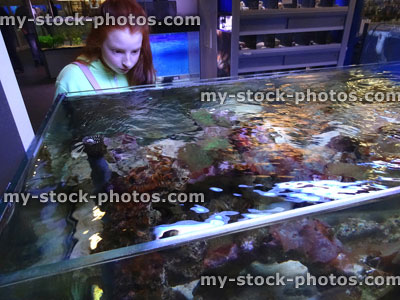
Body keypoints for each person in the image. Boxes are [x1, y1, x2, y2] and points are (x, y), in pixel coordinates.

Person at [54, 0, 156, 98]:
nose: (128, 63)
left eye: (135, 51)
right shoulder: (71, 79)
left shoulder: (140, 68)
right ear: (98, 41)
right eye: (117, 51)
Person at [0, 7, 24, 73]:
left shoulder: (1, 10)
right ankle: (16, 67)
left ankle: (17, 67)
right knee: (11, 52)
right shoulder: (2, 10)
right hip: (6, 34)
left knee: (11, 51)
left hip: (5, 35)